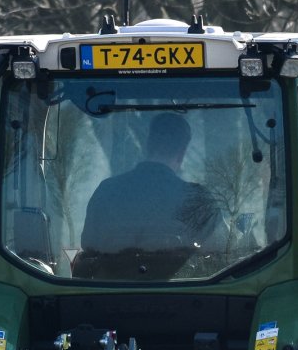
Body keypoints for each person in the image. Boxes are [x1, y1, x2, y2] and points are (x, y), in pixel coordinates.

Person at [79, 113, 218, 268]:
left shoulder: (106, 191)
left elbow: (89, 245)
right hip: (181, 284)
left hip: (111, 283)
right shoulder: (198, 199)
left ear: (148, 146)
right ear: (182, 153)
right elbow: (222, 251)